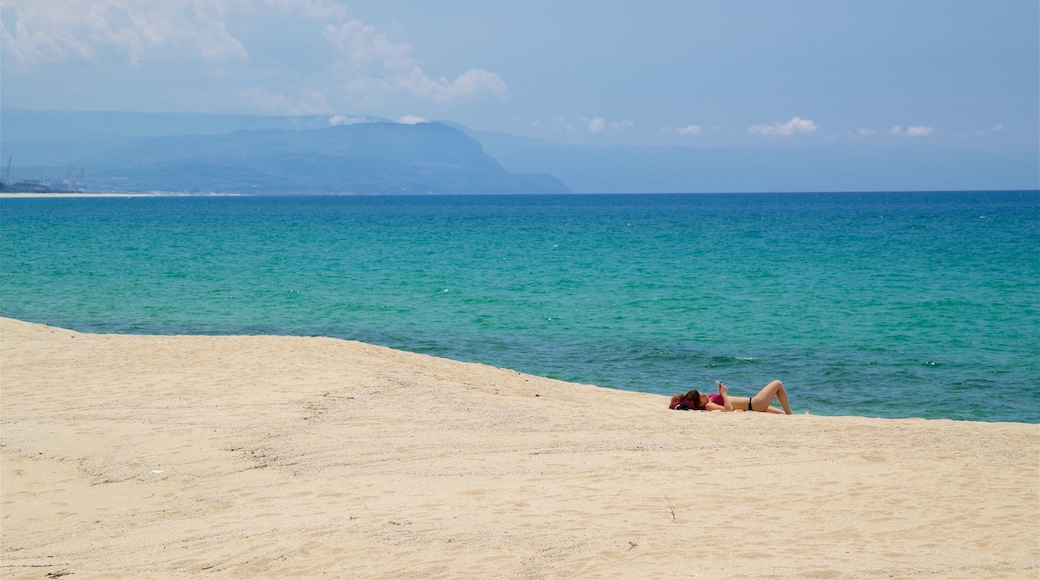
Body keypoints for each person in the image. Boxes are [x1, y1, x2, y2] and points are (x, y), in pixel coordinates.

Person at [669, 380, 792, 415]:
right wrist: (723, 393)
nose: (706, 395)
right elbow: (728, 409)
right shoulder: (708, 405)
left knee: (781, 415)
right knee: (778, 383)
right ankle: (791, 414)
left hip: (753, 406)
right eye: (703, 396)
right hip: (755, 404)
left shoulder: (708, 402)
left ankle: (789, 415)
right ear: (699, 403)